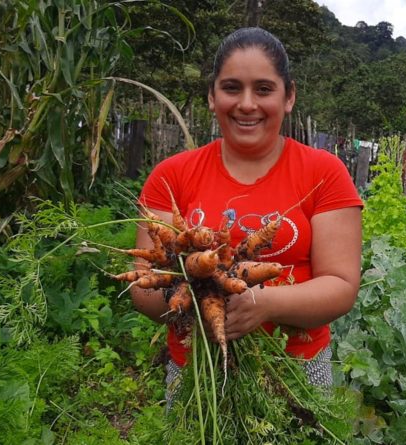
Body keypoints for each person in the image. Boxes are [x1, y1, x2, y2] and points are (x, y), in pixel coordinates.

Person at [130, 27, 362, 395]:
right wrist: (196, 303)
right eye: (232, 87)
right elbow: (143, 285)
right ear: (212, 96)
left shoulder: (323, 173)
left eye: (264, 89)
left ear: (289, 97)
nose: (247, 104)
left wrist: (264, 303)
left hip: (297, 369)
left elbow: (341, 286)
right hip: (197, 368)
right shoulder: (171, 176)